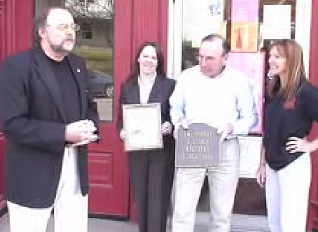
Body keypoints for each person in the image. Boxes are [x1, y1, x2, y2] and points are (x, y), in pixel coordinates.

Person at [0, 8, 99, 232]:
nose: (70, 32)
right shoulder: (16, 66)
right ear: (42, 31)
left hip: (75, 170)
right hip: (31, 175)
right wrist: (63, 134)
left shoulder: (78, 65)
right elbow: (13, 124)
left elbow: (90, 108)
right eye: (62, 26)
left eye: (72, 27)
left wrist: (90, 127)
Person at [170, 34, 257, 232]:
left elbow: (250, 118)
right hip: (192, 146)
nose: (203, 63)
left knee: (222, 213)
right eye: (200, 57)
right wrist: (178, 122)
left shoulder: (239, 81)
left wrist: (232, 127)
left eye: (210, 58)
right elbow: (175, 107)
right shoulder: (187, 77)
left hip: (225, 147)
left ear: (225, 58)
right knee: (182, 209)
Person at [256, 39, 318, 232]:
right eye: (271, 56)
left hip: (293, 166)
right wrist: (262, 163)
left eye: (278, 57)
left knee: (291, 225)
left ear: (291, 60)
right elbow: (269, 130)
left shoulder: (306, 92)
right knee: (275, 224)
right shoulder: (274, 90)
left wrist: (310, 145)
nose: (271, 60)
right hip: (273, 165)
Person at [117, 42, 175, 232]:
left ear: (159, 62)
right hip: (137, 151)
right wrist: (122, 132)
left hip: (161, 151)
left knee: (158, 200)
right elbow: (121, 120)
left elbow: (176, 116)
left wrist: (170, 125)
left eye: (154, 57)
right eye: (146, 56)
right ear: (138, 59)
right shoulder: (128, 87)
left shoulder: (170, 86)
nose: (149, 60)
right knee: (141, 199)